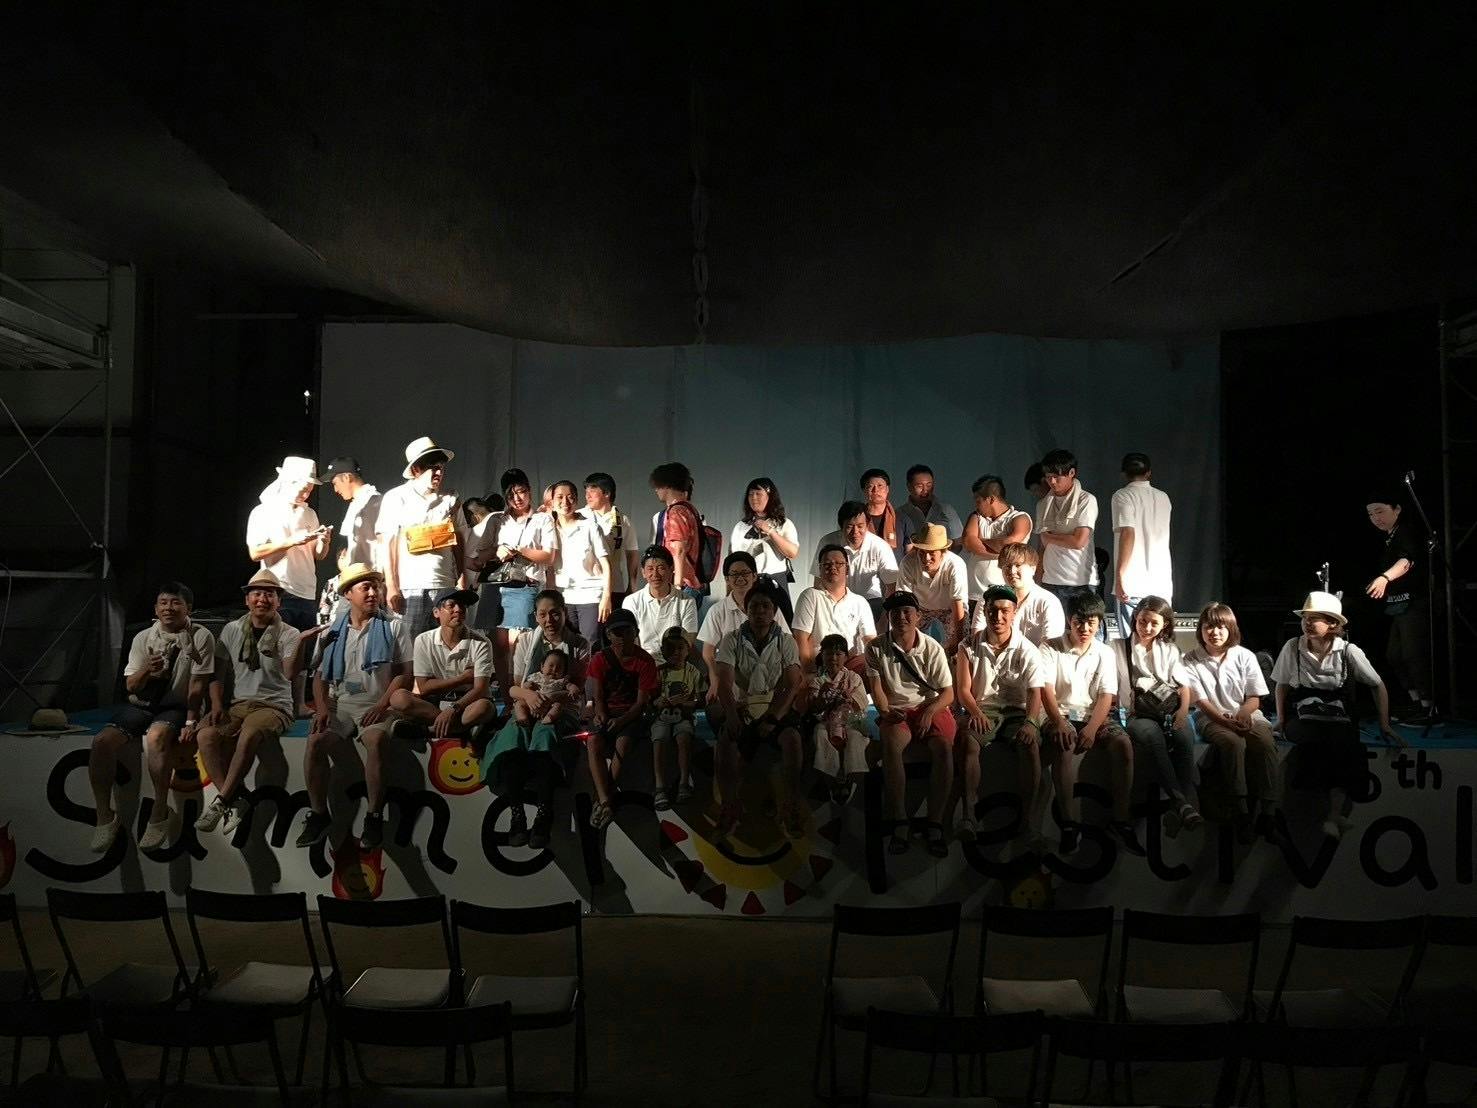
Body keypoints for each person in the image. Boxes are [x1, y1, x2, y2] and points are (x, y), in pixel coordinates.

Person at [88, 582, 220, 852]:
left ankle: (159, 811)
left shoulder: (201, 636)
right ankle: (104, 815)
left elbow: (198, 685)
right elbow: (131, 686)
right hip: (143, 703)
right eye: (163, 603)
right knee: (102, 742)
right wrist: (147, 669)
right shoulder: (143, 638)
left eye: (175, 602)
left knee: (157, 737)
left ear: (188, 608)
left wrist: (191, 720)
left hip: (177, 705)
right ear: (156, 609)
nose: (169, 608)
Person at [297, 563, 413, 847]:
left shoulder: (395, 626)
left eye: (376, 587)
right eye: (366, 587)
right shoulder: (332, 632)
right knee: (315, 741)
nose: (373, 593)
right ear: (348, 593)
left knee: (376, 740)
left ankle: (374, 816)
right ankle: (318, 814)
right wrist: (322, 708)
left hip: (377, 704)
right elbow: (319, 676)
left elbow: (405, 674)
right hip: (341, 705)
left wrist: (383, 704)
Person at [1272, 592, 1403, 839]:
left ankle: (1334, 815)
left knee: (1345, 743)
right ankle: (1321, 814)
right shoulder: (1293, 646)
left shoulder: (1348, 651)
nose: (1307, 623)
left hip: (1337, 714)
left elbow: (1377, 684)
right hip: (1301, 714)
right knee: (1314, 741)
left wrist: (1384, 723)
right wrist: (1280, 719)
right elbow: (1281, 685)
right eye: (1305, 618)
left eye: (1315, 618)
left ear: (1332, 623)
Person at [196, 570, 312, 837]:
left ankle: (220, 802)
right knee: (206, 735)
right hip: (238, 705)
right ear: (247, 600)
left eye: (269, 594)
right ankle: (235, 799)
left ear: (278, 601)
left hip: (274, 706)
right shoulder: (232, 629)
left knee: (249, 733)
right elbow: (218, 674)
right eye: (257, 593)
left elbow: (290, 674)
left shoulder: (289, 633)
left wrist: (300, 644)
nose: (262, 599)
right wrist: (216, 705)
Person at [381, 588, 495, 846]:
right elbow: (424, 687)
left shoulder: (481, 642)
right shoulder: (424, 640)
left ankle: (428, 730)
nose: (458, 610)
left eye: (462, 607)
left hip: (465, 705)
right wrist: (462, 678)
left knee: (483, 708)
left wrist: (454, 707)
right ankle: (458, 730)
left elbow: (480, 688)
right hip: (436, 705)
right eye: (451, 605)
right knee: (399, 698)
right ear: (436, 612)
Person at [481, 590, 591, 848]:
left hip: (561, 710)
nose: (549, 620)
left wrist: (550, 701)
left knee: (545, 740)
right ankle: (516, 813)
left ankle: (544, 812)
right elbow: (519, 684)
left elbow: (575, 689)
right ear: (535, 616)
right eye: (543, 614)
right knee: (513, 740)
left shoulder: (579, 644)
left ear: (564, 612)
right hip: (527, 704)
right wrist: (530, 698)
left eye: (555, 613)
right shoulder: (526, 641)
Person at [1039, 592, 1144, 856]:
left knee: (1123, 744)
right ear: (1070, 620)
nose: (1085, 628)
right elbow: (1046, 690)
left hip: (1092, 715)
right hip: (1060, 713)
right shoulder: (1050, 647)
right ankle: (1068, 823)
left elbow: (1106, 696)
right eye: (1079, 622)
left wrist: (1092, 728)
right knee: (1064, 744)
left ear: (1099, 623)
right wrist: (1058, 722)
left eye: (1091, 622)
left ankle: (1120, 819)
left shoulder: (1104, 652)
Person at [866, 591, 956, 858]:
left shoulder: (932, 647)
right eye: (895, 612)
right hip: (897, 708)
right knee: (891, 746)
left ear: (918, 616)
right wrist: (885, 711)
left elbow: (948, 693)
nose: (901, 617)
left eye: (907, 611)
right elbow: (877, 688)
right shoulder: (875, 647)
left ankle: (935, 822)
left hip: (930, 704)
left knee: (943, 749)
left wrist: (930, 711)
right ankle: (900, 819)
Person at [953, 585, 1046, 845]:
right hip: (983, 708)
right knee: (968, 741)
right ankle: (968, 814)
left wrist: (1031, 722)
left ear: (1014, 613)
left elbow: (1035, 692)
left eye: (1005, 611)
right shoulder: (967, 645)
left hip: (1017, 711)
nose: (998, 616)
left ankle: (1028, 820)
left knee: (1030, 745)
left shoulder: (1028, 649)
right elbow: (963, 690)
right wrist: (974, 711)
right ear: (984, 611)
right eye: (992, 610)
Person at [713, 585, 806, 841]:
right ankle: (729, 806)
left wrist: (773, 718)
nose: (760, 611)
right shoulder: (731, 639)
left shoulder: (786, 641)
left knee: (793, 740)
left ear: (774, 611)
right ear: (746, 609)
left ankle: (791, 805)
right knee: (725, 742)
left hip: (776, 707)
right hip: (744, 707)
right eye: (754, 606)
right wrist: (732, 716)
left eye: (766, 606)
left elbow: (792, 684)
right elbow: (724, 683)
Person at [1182, 602, 1281, 844]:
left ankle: (1268, 812)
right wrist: (1225, 722)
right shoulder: (1189, 659)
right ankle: (1241, 810)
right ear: (1201, 629)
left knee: (1265, 740)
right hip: (1209, 717)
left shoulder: (1244, 655)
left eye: (1221, 627)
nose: (1215, 632)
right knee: (1232, 742)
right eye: (1209, 626)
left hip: (1245, 713)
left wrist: (1244, 713)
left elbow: (1254, 697)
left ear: (1231, 629)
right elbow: (1201, 702)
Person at [1115, 595, 1202, 837]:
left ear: (1165, 625)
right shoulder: (1118, 647)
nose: (1147, 627)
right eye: (1143, 621)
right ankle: (1182, 803)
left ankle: (1180, 807)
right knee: (1153, 738)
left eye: (1154, 623)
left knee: (1184, 738)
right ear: (1135, 618)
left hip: (1170, 710)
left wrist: (1182, 713)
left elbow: (1183, 687)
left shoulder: (1170, 650)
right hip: (1138, 713)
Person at [478, 468, 558, 704]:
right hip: (496, 585)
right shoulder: (496, 519)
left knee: (523, 644)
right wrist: (497, 550)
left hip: (525, 585)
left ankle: (523, 698)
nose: (517, 498)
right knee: (498, 645)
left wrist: (519, 551)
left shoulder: (543, 519)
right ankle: (506, 698)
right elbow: (480, 554)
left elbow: (549, 556)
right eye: (510, 495)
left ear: (529, 490)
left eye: (521, 492)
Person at [379, 436, 468, 638]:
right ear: (416, 469)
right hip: (410, 587)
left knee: (445, 644)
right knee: (407, 645)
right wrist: (392, 586)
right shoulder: (396, 497)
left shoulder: (451, 498)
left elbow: (459, 539)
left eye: (441, 467)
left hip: (445, 584)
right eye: (432, 468)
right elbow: (387, 544)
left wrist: (462, 576)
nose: (438, 473)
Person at [697, 551, 788, 732]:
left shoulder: (770, 608)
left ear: (754, 576)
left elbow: (786, 643)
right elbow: (708, 652)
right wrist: (715, 680)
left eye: (745, 573)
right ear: (727, 579)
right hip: (731, 681)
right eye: (734, 574)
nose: (740, 578)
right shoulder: (718, 611)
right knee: (716, 713)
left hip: (766, 682)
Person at [585, 608, 659, 829]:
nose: (622, 637)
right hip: (607, 711)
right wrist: (601, 714)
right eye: (616, 633)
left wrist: (621, 721)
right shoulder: (599, 659)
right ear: (608, 635)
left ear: (635, 632)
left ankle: (604, 797)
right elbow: (598, 696)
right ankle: (605, 799)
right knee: (593, 742)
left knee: (623, 743)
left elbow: (641, 702)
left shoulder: (645, 661)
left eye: (627, 632)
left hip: (630, 713)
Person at [1365, 492, 1433, 720]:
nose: (1376, 518)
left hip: (1415, 602)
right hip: (1398, 605)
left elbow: (1407, 560)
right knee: (1395, 655)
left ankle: (1429, 706)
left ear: (1397, 509)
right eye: (1371, 514)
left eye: (1380, 511)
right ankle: (1417, 702)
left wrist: (1385, 577)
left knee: (1414, 654)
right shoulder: (1390, 537)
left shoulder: (1406, 532)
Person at [246, 455, 331, 631]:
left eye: (309, 490)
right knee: (277, 643)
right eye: (303, 489)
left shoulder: (309, 514)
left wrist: (324, 541)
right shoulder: (263, 511)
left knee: (304, 643)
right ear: (289, 482)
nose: (306, 494)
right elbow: (255, 553)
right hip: (279, 590)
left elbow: (318, 555)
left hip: (307, 592)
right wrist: (291, 541)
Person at [1111, 452, 1174, 640]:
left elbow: (1128, 533)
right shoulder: (1163, 497)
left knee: (1132, 643)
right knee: (1158, 643)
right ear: (1149, 473)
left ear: (1124, 474)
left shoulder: (1122, 495)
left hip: (1132, 583)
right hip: (1161, 583)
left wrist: (1119, 576)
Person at [803, 633, 870, 805]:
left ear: (846, 657)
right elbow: (814, 708)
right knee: (820, 733)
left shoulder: (853, 678)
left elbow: (861, 702)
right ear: (822, 656)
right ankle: (831, 781)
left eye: (838, 654)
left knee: (854, 737)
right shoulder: (817, 681)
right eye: (828, 653)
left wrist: (850, 698)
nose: (833, 658)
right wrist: (821, 697)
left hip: (851, 721)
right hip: (826, 722)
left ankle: (852, 779)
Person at [1035, 449, 1100, 619]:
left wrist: (1049, 537)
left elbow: (1079, 541)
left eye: (1057, 477)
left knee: (1083, 629)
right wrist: (1038, 579)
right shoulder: (1043, 504)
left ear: (1071, 473)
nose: (1052, 481)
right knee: (1052, 631)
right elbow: (1042, 546)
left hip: (1079, 581)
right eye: (1048, 477)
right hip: (1050, 580)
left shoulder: (1086, 500)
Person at [792, 543, 877, 671]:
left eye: (839, 563)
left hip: (851, 665)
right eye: (827, 564)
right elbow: (801, 638)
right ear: (819, 570)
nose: (833, 567)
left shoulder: (860, 602)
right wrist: (809, 670)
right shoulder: (810, 596)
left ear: (847, 569)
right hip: (821, 665)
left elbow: (869, 639)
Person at [810, 500, 899, 620]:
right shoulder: (827, 542)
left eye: (860, 526)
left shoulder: (880, 546)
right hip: (835, 598)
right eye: (849, 527)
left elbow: (892, 585)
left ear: (867, 525)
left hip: (869, 599)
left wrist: (887, 616)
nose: (855, 532)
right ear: (841, 526)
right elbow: (818, 581)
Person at [961, 474, 1033, 622]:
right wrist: (1000, 554)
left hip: (1005, 594)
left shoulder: (1020, 518)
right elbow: (968, 542)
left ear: (991, 499)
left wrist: (981, 540)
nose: (976, 506)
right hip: (975, 594)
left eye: (978, 501)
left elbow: (1008, 545)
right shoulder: (976, 517)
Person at [550, 479, 613, 641]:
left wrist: (606, 597)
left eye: (570, 497)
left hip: (590, 594)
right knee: (568, 644)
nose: (565, 502)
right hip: (563, 596)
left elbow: (606, 564)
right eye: (560, 497)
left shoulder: (589, 526)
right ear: (552, 501)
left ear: (576, 500)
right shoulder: (548, 528)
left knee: (590, 642)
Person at [730, 477, 800, 622]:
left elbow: (792, 552)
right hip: (749, 582)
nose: (754, 498)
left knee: (782, 624)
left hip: (775, 580)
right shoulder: (740, 526)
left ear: (770, 496)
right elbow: (733, 560)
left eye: (758, 494)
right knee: (747, 622)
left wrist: (771, 532)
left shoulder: (784, 524)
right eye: (750, 494)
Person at [580, 472, 641, 636]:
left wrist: (632, 585)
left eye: (592, 491)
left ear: (606, 493)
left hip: (615, 586)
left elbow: (632, 553)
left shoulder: (623, 521)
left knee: (613, 634)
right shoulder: (580, 516)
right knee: (590, 635)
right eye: (586, 491)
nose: (587, 496)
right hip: (587, 587)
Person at [894, 524, 969, 653]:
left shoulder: (955, 565)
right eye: (922, 552)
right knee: (905, 642)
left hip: (950, 609)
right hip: (920, 607)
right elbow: (904, 600)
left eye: (932, 553)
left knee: (961, 645)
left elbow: (957, 603)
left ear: (943, 552)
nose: (926, 558)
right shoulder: (908, 562)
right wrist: (906, 635)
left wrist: (958, 641)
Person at [651, 626, 703, 809]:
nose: (675, 652)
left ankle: (684, 782)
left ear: (688, 649)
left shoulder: (693, 673)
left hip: (684, 717)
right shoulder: (659, 672)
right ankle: (659, 786)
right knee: (659, 739)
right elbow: (652, 698)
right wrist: (659, 702)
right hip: (662, 717)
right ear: (663, 650)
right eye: (670, 648)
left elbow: (699, 700)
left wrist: (684, 703)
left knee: (683, 738)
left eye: (680, 648)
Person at [623, 545, 700, 657]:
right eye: (650, 569)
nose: (655, 574)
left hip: (675, 661)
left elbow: (688, 641)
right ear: (643, 572)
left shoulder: (687, 601)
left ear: (671, 569)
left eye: (661, 568)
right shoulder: (631, 602)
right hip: (642, 661)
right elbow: (631, 642)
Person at [991, 543, 1065, 647]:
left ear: (1033, 569)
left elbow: (1050, 647)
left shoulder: (1048, 601)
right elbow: (978, 637)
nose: (1012, 571)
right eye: (1007, 566)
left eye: (1018, 565)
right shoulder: (991, 599)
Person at [650, 461, 707, 597]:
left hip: (684, 584)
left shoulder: (676, 512)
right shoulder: (690, 509)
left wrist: (677, 585)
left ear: (667, 485)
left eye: (658, 485)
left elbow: (679, 550)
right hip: (693, 581)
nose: (656, 490)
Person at [323, 456, 383, 575]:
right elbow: (347, 542)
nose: (335, 490)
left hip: (373, 576)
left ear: (347, 477)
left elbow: (384, 542)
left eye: (335, 483)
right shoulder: (355, 503)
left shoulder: (375, 501)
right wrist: (343, 560)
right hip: (357, 576)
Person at [896, 463, 964, 550]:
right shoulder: (900, 514)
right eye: (920, 486)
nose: (925, 490)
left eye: (929, 485)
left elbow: (958, 542)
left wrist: (945, 557)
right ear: (909, 487)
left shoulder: (946, 509)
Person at [512, 649, 581, 728]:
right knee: (519, 704)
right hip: (532, 705)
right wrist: (527, 685)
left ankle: (549, 717)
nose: (554, 669)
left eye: (559, 667)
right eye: (551, 665)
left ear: (564, 671)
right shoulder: (536, 677)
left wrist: (574, 689)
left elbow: (570, 686)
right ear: (542, 666)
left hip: (550, 706)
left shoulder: (561, 681)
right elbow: (524, 687)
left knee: (558, 706)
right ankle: (523, 719)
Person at [859, 468, 902, 552]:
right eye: (870, 486)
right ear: (864, 490)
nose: (875, 490)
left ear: (887, 489)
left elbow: (909, 552)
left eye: (880, 485)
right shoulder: (856, 519)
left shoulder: (902, 518)